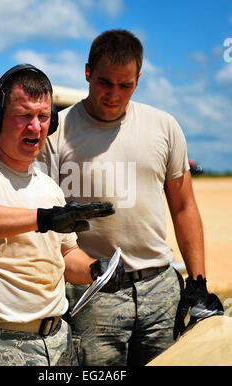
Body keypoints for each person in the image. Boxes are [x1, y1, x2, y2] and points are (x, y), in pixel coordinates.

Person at [36, 30, 215, 366]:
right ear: (87, 72)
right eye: (104, 82)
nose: (113, 95)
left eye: (126, 85)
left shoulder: (164, 127)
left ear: (139, 79)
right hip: (91, 294)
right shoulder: (56, 133)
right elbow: (43, 220)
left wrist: (198, 282)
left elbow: (183, 206)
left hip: (161, 290)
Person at [0, 64, 122, 366]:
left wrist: (95, 271)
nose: (36, 127)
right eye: (24, 116)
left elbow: (66, 256)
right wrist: (44, 219)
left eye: (43, 117)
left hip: (56, 343)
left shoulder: (49, 188)